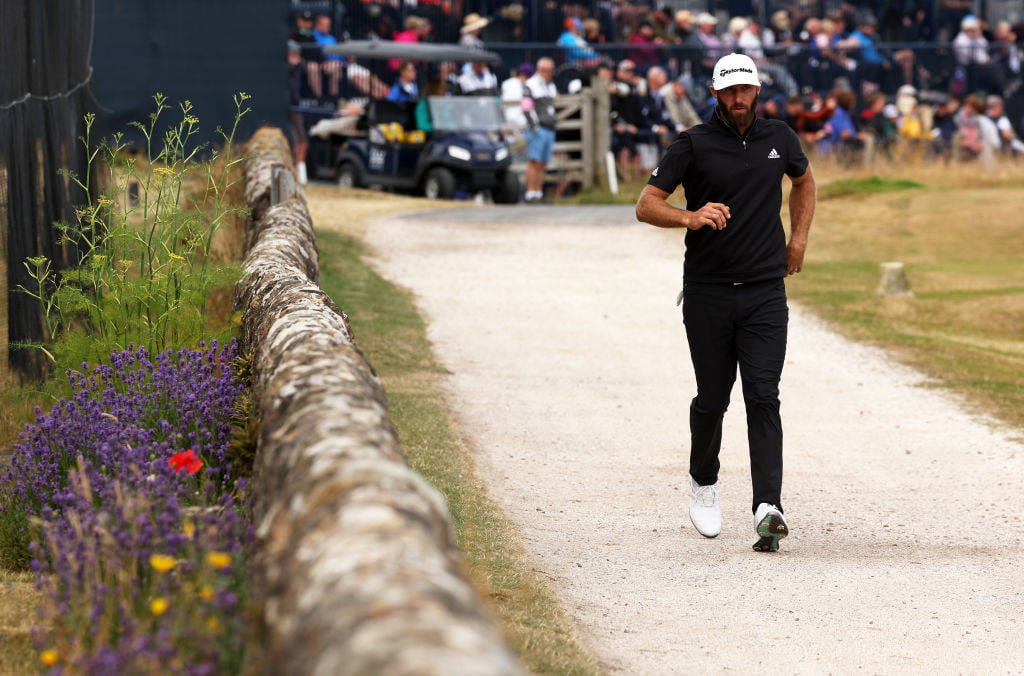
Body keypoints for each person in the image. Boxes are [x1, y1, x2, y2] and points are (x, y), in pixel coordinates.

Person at [634, 53, 816, 553]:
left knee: (763, 394)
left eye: (746, 90)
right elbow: (646, 204)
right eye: (729, 91)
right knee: (713, 398)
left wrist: (797, 238)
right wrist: (690, 217)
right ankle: (704, 481)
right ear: (715, 94)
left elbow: (804, 180)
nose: (738, 99)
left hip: (764, 292)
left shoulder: (780, 138)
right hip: (709, 292)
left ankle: (767, 508)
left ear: (757, 91)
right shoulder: (692, 143)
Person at [522, 57, 558, 202]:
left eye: (550, 70)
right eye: (544, 70)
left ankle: (538, 192)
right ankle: (530, 192)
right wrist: (534, 126)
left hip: (549, 128)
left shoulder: (550, 86)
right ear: (538, 70)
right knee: (534, 161)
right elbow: (526, 107)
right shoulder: (531, 84)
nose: (547, 73)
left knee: (543, 163)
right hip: (538, 128)